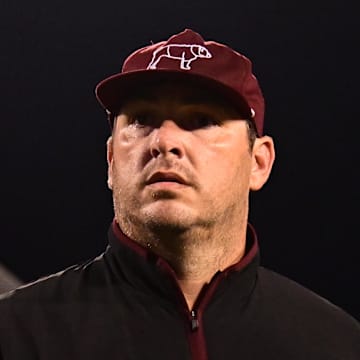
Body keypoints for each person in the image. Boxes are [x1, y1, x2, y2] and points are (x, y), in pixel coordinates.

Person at [0, 29, 359, 360]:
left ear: (259, 162)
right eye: (142, 120)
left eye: (201, 120)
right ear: (111, 160)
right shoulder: (16, 332)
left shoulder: (336, 342)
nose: (165, 141)